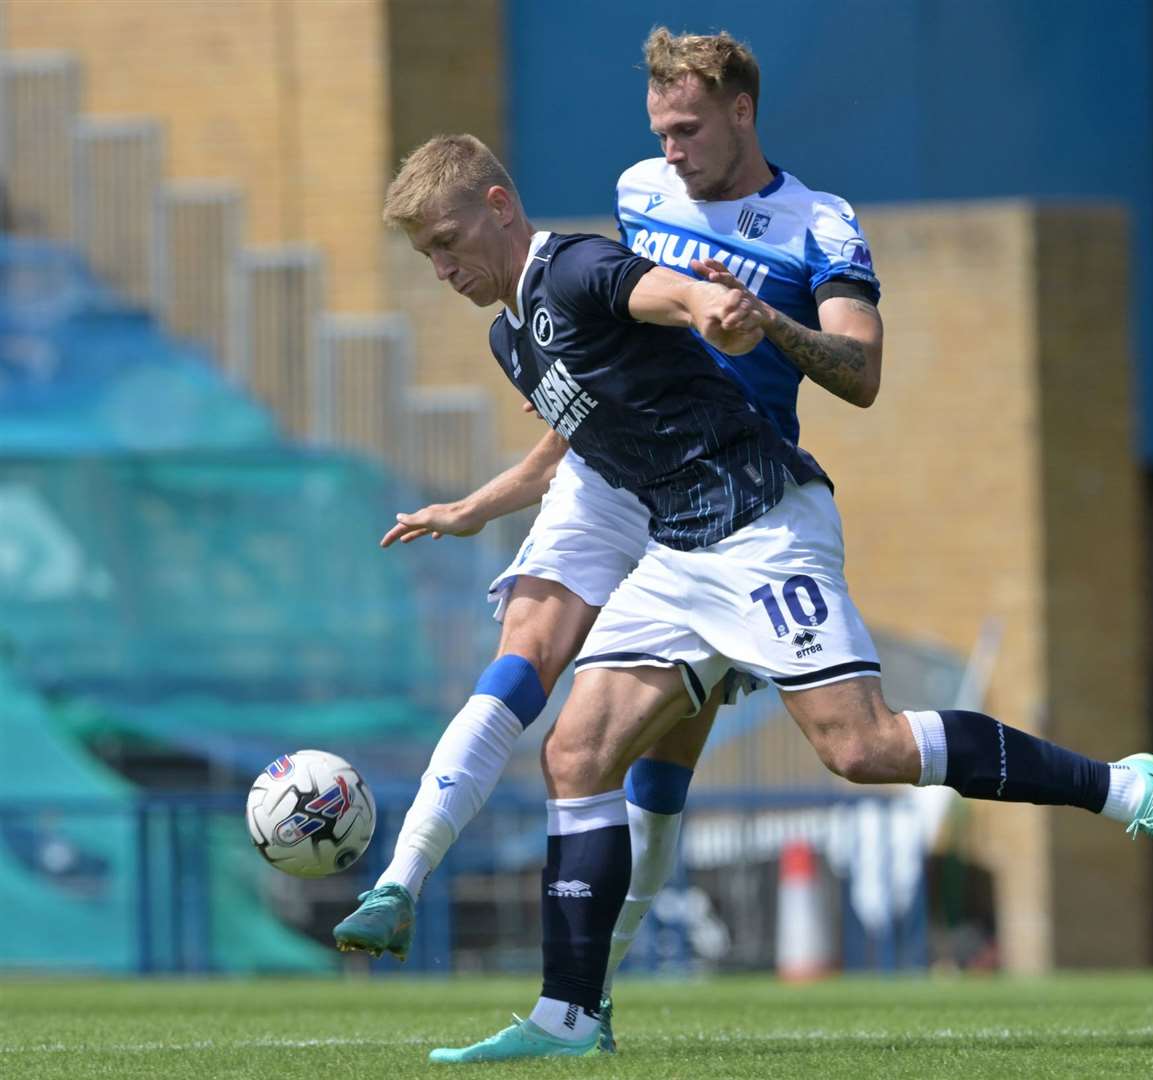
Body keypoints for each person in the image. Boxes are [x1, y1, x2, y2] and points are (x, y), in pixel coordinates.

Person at [366, 131, 1153, 1065]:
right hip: (675, 550)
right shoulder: (512, 337)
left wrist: (709, 303)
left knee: (861, 748)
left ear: (499, 206)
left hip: (760, 521)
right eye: (427, 256)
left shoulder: (575, 267)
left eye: (448, 241)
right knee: (576, 755)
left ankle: (1129, 788)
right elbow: (578, 439)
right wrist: (471, 508)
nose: (442, 267)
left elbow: (654, 289)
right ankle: (567, 1017)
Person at [334, 28, 885, 1017]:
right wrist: (481, 503)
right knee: (527, 659)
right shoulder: (635, 194)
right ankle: (400, 879)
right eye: (659, 131)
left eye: (686, 129)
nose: (670, 151)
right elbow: (596, 371)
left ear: (740, 113)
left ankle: (604, 969)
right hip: (610, 467)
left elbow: (853, 371)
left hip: (726, 479)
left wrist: (744, 317)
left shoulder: (820, 222)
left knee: (664, 762)